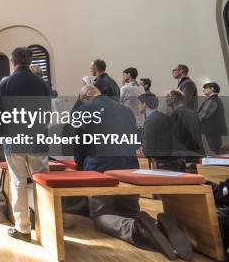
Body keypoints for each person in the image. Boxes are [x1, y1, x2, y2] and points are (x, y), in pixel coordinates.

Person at [75, 85, 191, 260]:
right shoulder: (125, 110)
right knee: (131, 212)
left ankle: (136, 230)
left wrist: (80, 165)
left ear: (85, 97)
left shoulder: (84, 110)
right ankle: (158, 225)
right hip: (129, 167)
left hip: (100, 167)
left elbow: (81, 144)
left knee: (100, 215)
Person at [0, 47, 51, 241]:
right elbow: (47, 111)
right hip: (38, 138)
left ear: (13, 62)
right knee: (43, 181)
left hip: (14, 139)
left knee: (18, 181)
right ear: (30, 61)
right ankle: (47, 224)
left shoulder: (6, 83)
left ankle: (24, 228)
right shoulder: (42, 83)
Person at [138, 93, 183, 171]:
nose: (137, 106)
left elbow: (147, 149)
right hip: (176, 161)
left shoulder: (151, 120)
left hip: (163, 164)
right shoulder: (164, 117)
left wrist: (141, 150)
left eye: (138, 103)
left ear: (144, 104)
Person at [166, 89, 205, 173]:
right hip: (195, 153)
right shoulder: (192, 112)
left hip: (184, 156)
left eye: (167, 97)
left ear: (174, 98)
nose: (166, 99)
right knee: (193, 180)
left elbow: (176, 137)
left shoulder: (177, 113)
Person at [198, 82, 226, 155]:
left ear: (212, 89)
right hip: (214, 130)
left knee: (215, 151)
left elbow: (203, 115)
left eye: (205, 88)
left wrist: (192, 120)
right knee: (216, 150)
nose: (203, 90)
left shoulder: (212, 100)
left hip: (212, 131)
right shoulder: (214, 99)